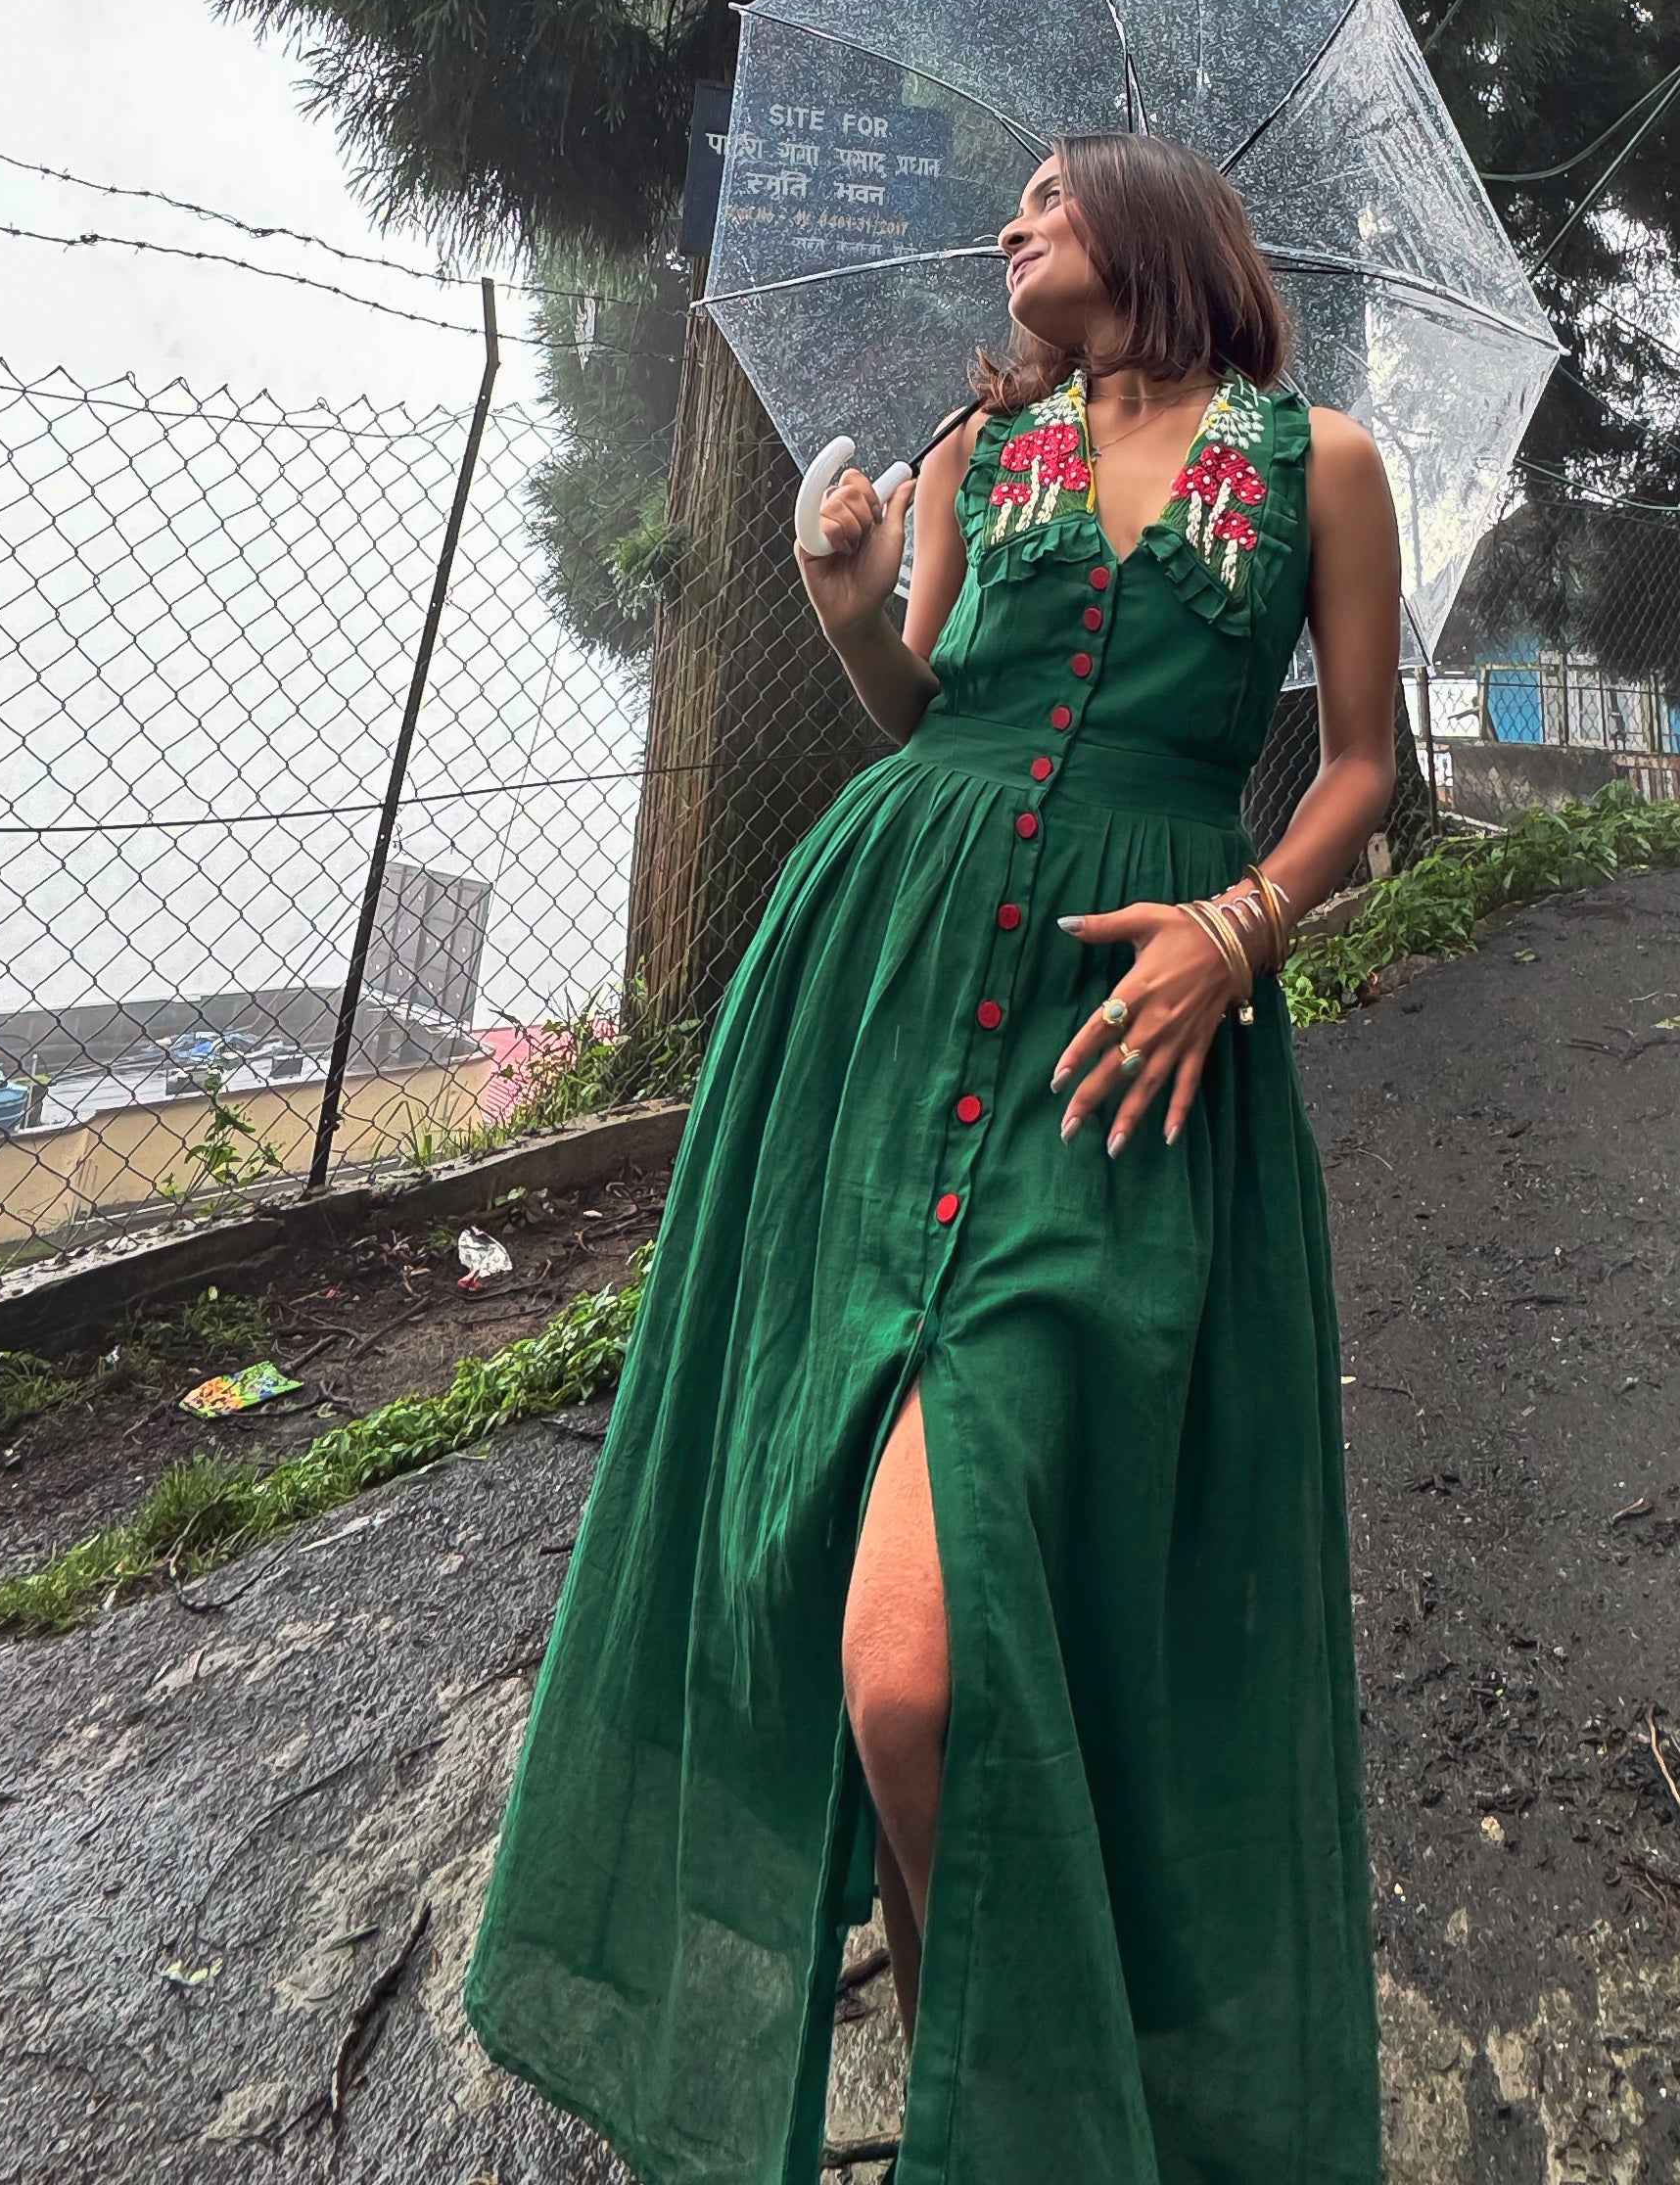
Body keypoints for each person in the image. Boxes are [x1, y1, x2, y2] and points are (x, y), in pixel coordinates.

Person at [466, 133, 1403, 2183]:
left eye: (1050, 198)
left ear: (1149, 226)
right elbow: (921, 708)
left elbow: (1361, 764)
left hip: (1123, 1054)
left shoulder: (1322, 462)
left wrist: (1242, 929)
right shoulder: (982, 459)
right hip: (874, 1002)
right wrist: (845, 612)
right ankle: (976, 2091)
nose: (1011, 226)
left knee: (935, 1657)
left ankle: (1032, 2096)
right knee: (889, 1637)